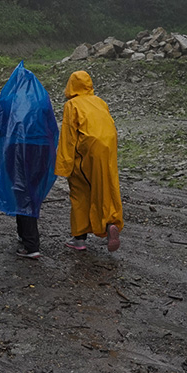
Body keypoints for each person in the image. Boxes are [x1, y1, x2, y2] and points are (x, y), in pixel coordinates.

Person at [0, 62, 58, 259]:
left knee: (21, 190)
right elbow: (52, 127)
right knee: (31, 189)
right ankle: (26, 236)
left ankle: (31, 244)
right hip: (41, 149)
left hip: (17, 148)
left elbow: (1, 127)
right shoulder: (41, 98)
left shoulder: (9, 97)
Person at [54, 70, 123, 252]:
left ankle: (79, 238)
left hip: (87, 150)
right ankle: (110, 224)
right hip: (107, 150)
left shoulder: (72, 105)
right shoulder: (100, 102)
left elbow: (68, 137)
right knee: (105, 189)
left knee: (80, 191)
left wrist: (64, 166)